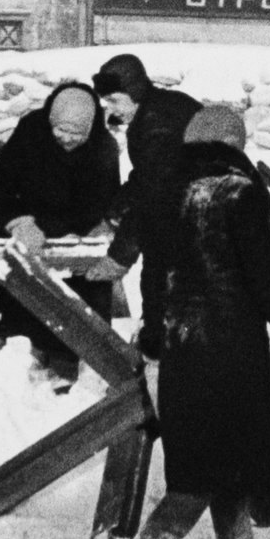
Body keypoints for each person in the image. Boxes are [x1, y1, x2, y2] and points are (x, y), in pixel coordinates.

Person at [117, 107, 270, 539]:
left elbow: (153, 272)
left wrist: (155, 336)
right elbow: (259, 272)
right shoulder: (240, 190)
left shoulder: (164, 189)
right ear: (233, 144)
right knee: (219, 449)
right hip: (231, 338)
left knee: (216, 445)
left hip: (183, 338)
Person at [0, 81, 123, 386]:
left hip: (76, 240)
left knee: (81, 312)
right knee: (24, 310)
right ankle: (23, 365)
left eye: (77, 134)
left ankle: (75, 368)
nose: (68, 139)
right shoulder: (30, 133)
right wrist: (18, 222)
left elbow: (108, 199)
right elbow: (0, 183)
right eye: (61, 130)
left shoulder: (104, 148)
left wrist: (92, 230)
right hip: (32, 233)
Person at [91, 54, 201, 361]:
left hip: (191, 220)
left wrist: (119, 256)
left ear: (134, 91)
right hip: (185, 211)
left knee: (163, 288)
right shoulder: (156, 109)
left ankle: (160, 364)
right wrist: (114, 212)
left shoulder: (157, 124)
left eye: (113, 100)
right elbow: (145, 177)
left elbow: (154, 194)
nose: (109, 109)